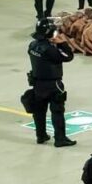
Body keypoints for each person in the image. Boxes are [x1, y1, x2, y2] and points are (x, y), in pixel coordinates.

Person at [28, 19, 76, 147]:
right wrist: (62, 44)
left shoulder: (32, 45)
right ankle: (60, 139)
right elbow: (68, 57)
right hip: (52, 84)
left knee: (39, 111)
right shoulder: (49, 50)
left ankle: (41, 135)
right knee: (57, 111)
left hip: (37, 83)